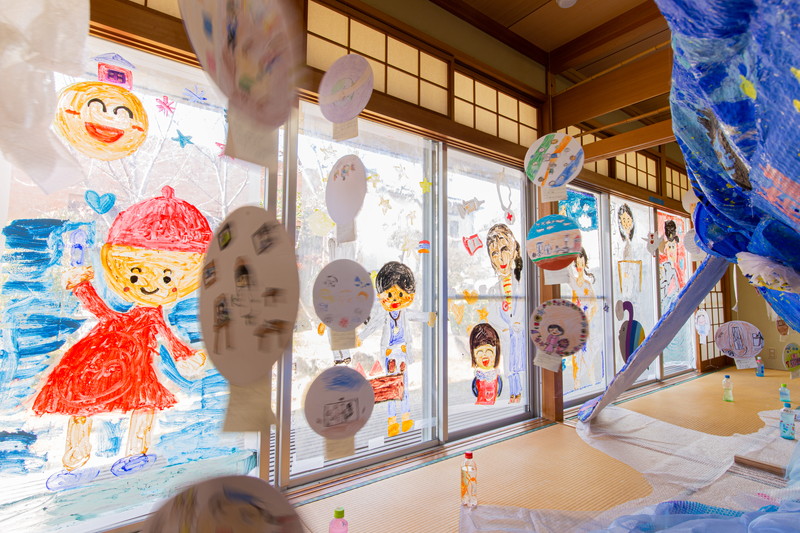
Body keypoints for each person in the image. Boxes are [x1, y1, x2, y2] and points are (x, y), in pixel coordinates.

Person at [32, 186, 210, 489]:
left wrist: (184, 354)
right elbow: (103, 312)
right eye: (136, 274)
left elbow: (166, 335)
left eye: (166, 277)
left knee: (144, 402)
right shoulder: (129, 309)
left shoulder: (153, 313)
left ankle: (135, 453)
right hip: (98, 357)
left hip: (135, 365)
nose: (150, 284)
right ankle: (74, 461)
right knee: (82, 403)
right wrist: (81, 284)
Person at [359, 261, 435, 437]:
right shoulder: (385, 315)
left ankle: (406, 416)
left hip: (402, 353)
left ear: (410, 294)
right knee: (391, 386)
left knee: (404, 386)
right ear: (381, 295)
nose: (394, 300)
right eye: (389, 295)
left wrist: (430, 317)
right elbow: (373, 325)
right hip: (389, 354)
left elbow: (418, 315)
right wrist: (360, 337)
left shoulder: (405, 313)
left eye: (400, 294)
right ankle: (392, 420)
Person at [485, 224, 524, 403]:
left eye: (504, 250)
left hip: (520, 333)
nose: (500, 258)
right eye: (494, 253)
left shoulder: (522, 283)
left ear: (514, 250)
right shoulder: (494, 290)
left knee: (521, 364)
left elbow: (525, 308)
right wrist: (504, 328)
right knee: (510, 366)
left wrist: (518, 323)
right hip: (507, 335)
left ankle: (522, 393)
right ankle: (514, 394)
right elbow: (492, 315)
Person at [470, 323, 502, 406]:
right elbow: (474, 389)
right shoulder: (479, 376)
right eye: (479, 352)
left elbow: (499, 390)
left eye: (489, 351)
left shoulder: (496, 376)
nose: (484, 355)